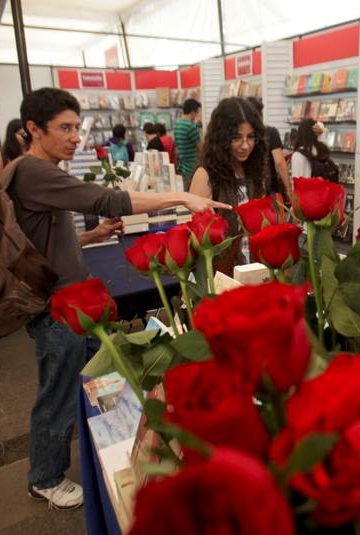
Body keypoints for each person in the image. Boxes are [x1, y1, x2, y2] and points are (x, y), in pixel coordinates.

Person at [14, 88, 229, 509]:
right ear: (33, 129)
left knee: (105, 372)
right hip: (60, 309)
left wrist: (87, 236)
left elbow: (36, 242)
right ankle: (44, 476)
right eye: (65, 128)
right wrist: (180, 196)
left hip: (68, 304)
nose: (76, 137)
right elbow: (106, 198)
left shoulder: (39, 172)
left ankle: (119, 445)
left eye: (78, 126)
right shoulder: (34, 171)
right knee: (57, 392)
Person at [189, 97, 269, 274]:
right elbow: (200, 238)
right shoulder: (205, 175)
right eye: (236, 138)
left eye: (251, 137)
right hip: (222, 275)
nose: (245, 145)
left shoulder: (254, 170)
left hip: (255, 269)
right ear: (222, 139)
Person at [247, 96, 292, 202]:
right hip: (271, 191)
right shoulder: (271, 132)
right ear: (260, 114)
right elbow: (280, 163)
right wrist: (288, 189)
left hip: (248, 191)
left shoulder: (241, 137)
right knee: (273, 218)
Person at [0, 119, 28, 187]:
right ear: (12, 134)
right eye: (22, 134)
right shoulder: (0, 154)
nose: (25, 137)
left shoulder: (29, 150)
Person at [174, 98, 202, 190]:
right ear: (193, 112)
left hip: (183, 165)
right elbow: (201, 147)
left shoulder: (178, 124)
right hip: (192, 166)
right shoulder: (190, 126)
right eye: (197, 112)